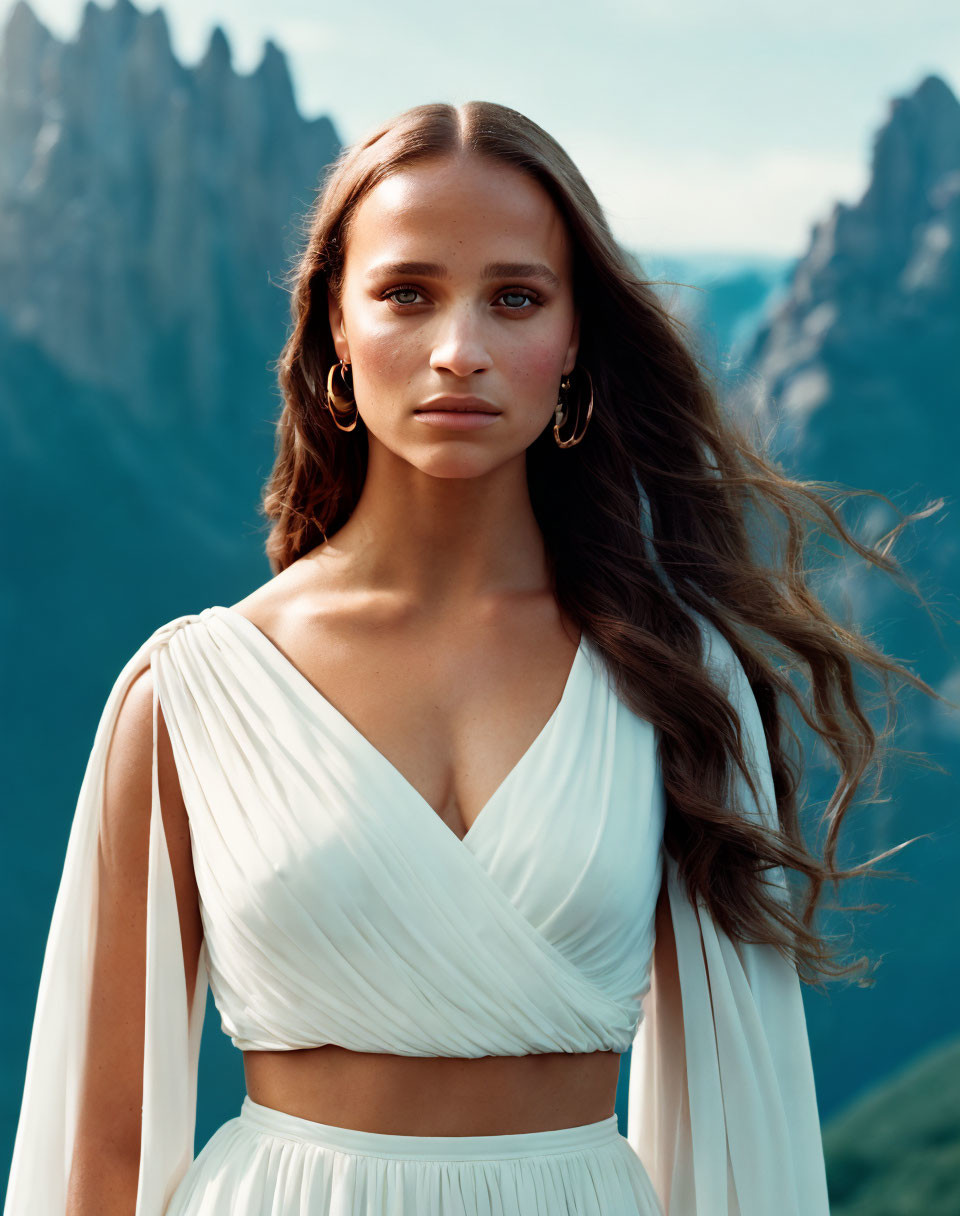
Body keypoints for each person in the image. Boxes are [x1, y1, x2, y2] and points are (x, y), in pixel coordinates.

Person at [4, 100, 939, 1216]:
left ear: (573, 340)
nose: (461, 351)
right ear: (335, 332)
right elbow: (97, 1158)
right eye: (407, 293)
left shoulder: (676, 681)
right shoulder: (191, 695)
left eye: (515, 298)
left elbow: (750, 1125)